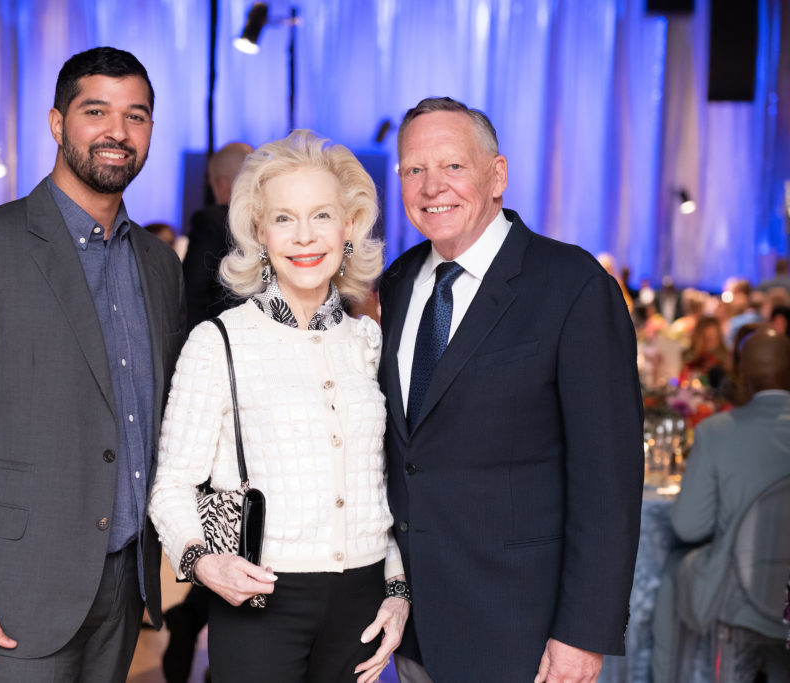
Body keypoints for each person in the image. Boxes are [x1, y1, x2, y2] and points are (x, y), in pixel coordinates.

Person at [0, 47, 185, 681]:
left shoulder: (161, 267)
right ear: (57, 124)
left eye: (135, 116)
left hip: (124, 585)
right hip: (14, 592)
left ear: (150, 133)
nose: (117, 131)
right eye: (96, 111)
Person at [378, 97, 643, 682]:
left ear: (497, 174)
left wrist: (582, 632)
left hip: (523, 629)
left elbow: (610, 479)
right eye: (413, 170)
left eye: (452, 166)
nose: (431, 187)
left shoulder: (571, 285)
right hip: (415, 625)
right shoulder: (396, 283)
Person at [149, 130, 407, 683]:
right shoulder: (219, 342)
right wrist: (201, 560)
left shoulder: (368, 342)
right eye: (284, 218)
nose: (305, 236)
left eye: (322, 216)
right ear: (259, 232)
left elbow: (387, 480)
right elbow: (171, 482)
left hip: (361, 599)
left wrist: (397, 588)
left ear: (349, 228)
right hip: (261, 596)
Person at [652, 327, 790, 682]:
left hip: (743, 601)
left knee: (671, 570)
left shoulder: (717, 432)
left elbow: (688, 526)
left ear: (741, 375)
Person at [183, 141, 254, 329]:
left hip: (220, 339)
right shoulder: (273, 223)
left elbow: (192, 292)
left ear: (222, 184)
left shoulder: (211, 220)